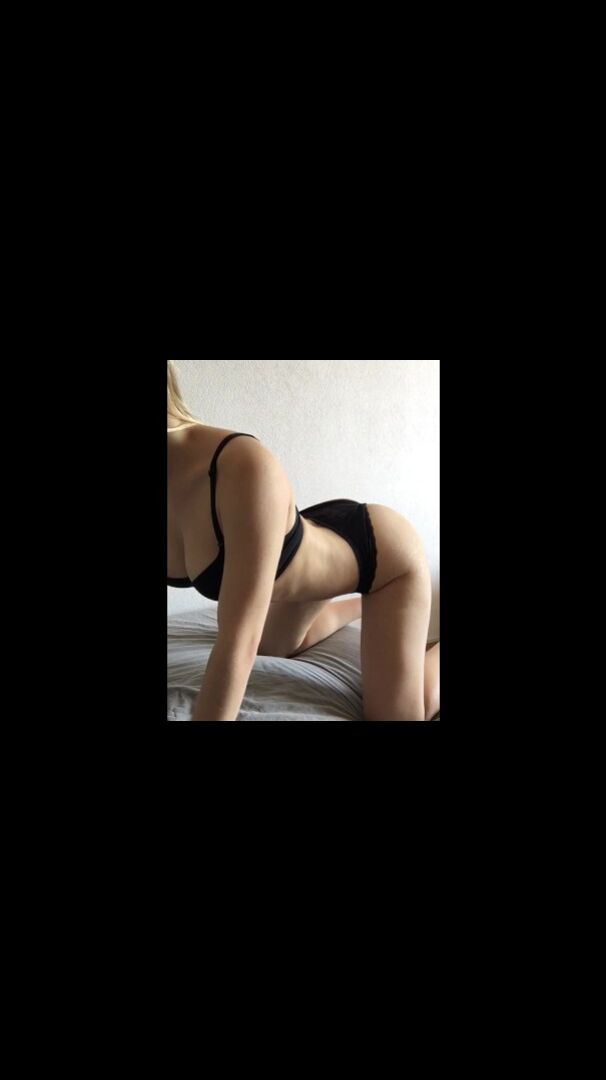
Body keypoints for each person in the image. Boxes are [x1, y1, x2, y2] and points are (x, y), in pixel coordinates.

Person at [167, 360, 439, 721]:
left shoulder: (240, 464)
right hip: (312, 549)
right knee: (272, 647)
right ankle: (359, 605)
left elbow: (238, 643)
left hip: (385, 561)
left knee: (404, 713)